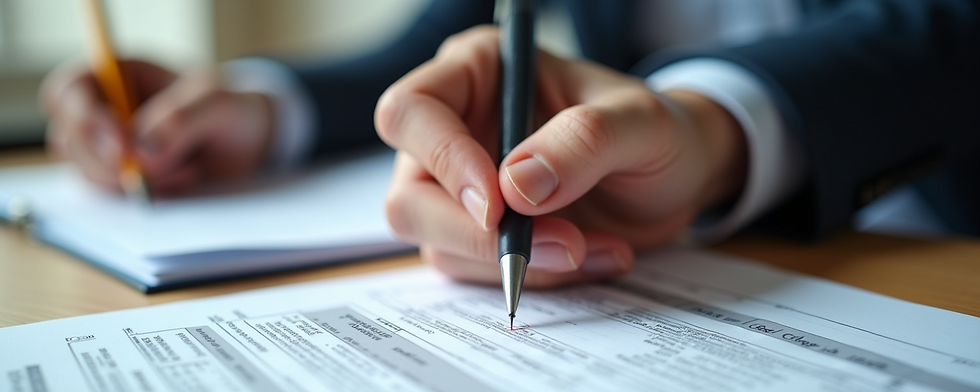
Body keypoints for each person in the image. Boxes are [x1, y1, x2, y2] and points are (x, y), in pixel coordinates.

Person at [42, 1, 979, 285]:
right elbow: (438, 46)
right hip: (694, 249)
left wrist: (712, 124)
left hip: (931, 236)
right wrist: (264, 107)